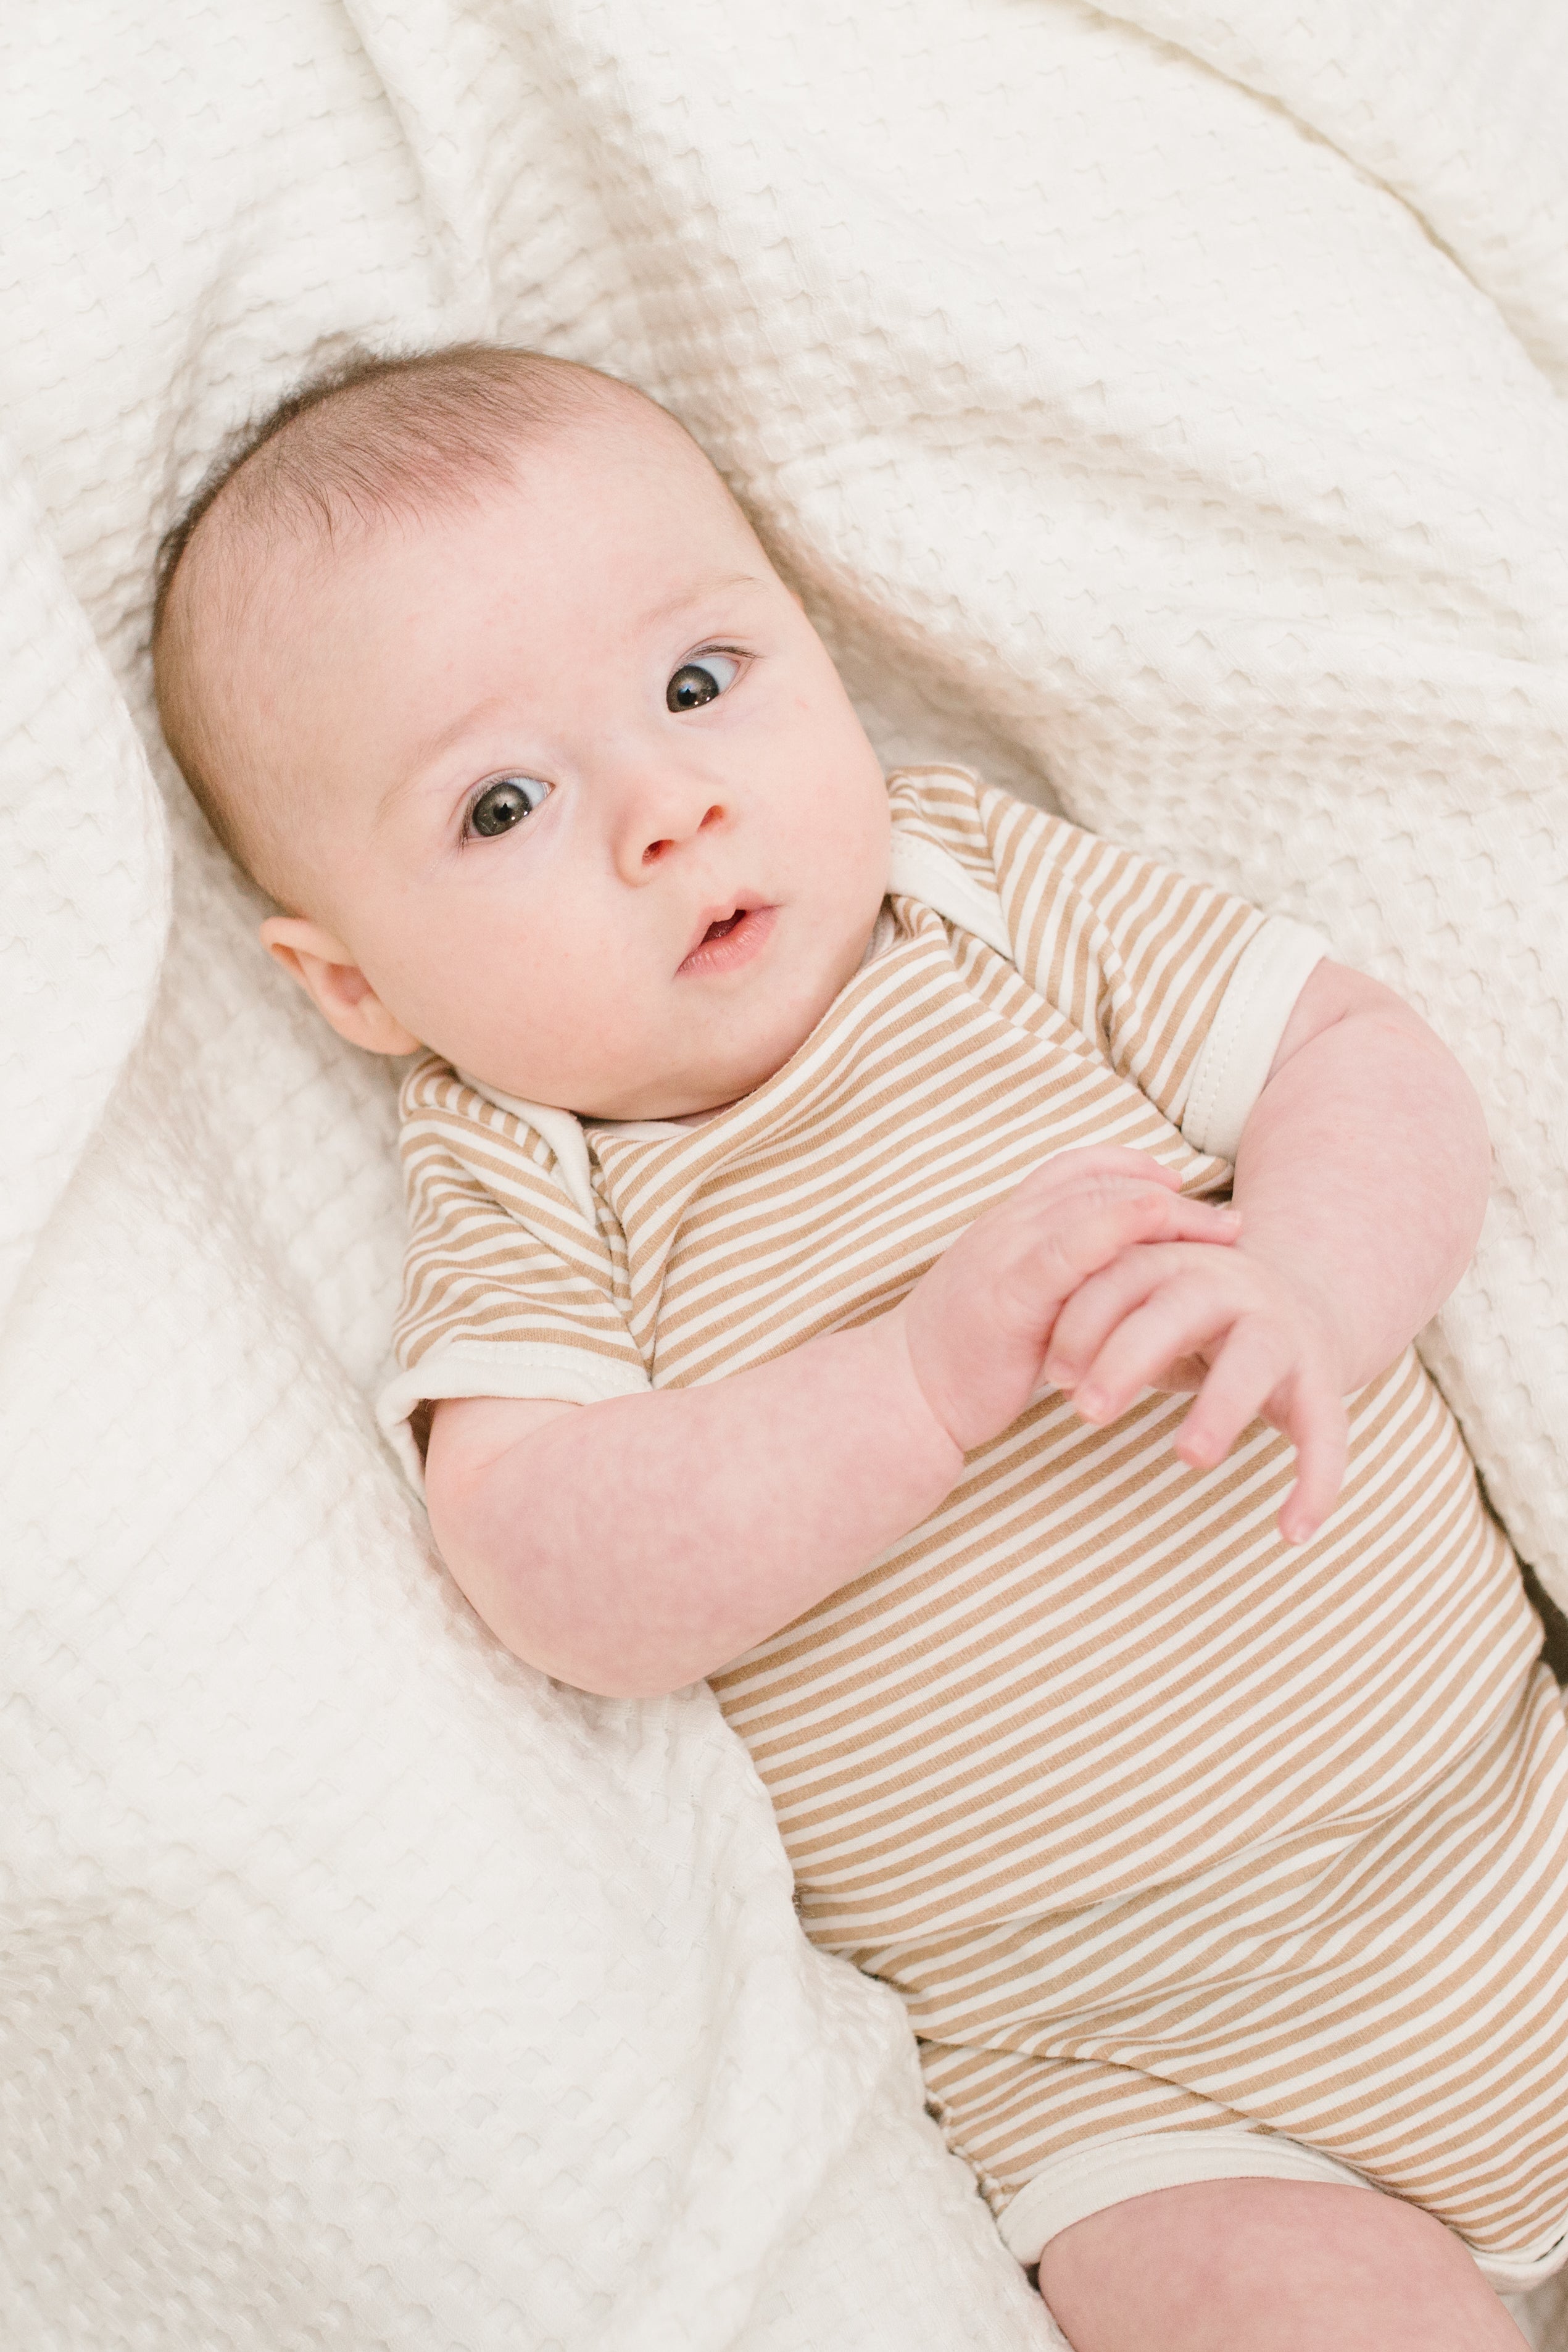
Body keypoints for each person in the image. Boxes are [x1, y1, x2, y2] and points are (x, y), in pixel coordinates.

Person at [152, 343, 1568, 2351]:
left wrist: (1316, 1285)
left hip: (1510, 1806)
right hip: (1150, 2086)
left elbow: (1364, 1056)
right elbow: (552, 1558)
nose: (666, 807)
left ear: (812, 650)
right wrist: (914, 1378)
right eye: (502, 801)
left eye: (700, 682)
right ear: (355, 982)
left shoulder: (974, 891)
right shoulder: (527, 1174)